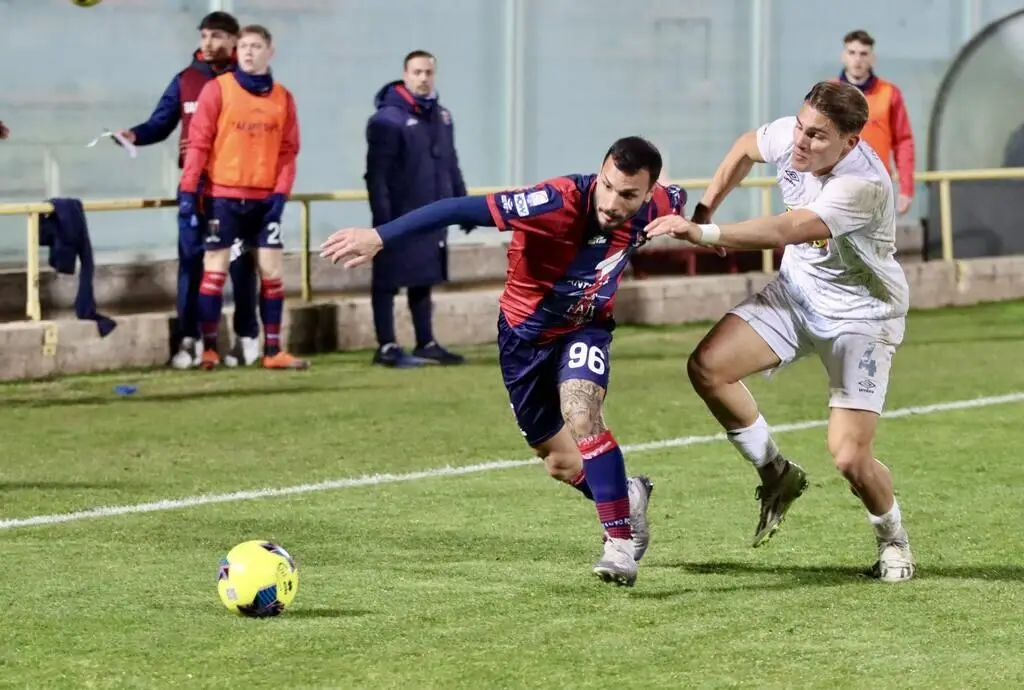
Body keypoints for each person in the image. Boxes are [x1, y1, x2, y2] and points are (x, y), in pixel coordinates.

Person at [322, 137, 689, 587]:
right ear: (600, 172)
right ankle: (626, 496)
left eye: (629, 194)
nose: (613, 202)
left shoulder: (660, 206)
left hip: (585, 327)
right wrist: (379, 236)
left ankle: (618, 543)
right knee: (559, 462)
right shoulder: (552, 202)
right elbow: (457, 208)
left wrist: (703, 230)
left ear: (648, 193)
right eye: (608, 186)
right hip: (523, 339)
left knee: (582, 411)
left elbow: (683, 203)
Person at [644, 81, 915, 583]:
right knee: (709, 367)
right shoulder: (794, 138)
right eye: (800, 126)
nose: (800, 143)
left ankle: (892, 539)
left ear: (850, 142)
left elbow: (786, 230)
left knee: (850, 457)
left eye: (817, 136)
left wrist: (702, 232)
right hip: (798, 294)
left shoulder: (862, 185)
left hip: (861, 317)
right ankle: (776, 473)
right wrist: (706, 207)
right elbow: (746, 146)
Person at [116, 11, 260, 369]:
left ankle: (247, 340)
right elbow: (159, 124)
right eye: (204, 36)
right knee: (192, 267)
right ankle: (189, 341)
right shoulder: (185, 80)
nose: (208, 43)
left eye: (216, 37)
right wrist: (133, 136)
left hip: (236, 190)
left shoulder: (247, 82)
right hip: (195, 191)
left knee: (240, 266)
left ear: (234, 39)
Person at [179, 24, 308, 370]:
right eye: (244, 47)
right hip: (223, 196)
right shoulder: (217, 89)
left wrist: (280, 195)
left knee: (272, 273)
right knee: (214, 273)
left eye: (255, 46)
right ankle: (209, 349)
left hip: (264, 200)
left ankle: (273, 352)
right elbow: (199, 143)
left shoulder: (283, 97)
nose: (248, 52)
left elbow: (288, 151)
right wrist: (189, 191)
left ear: (270, 51)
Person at [364, 50, 471, 368]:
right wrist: (382, 219)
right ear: (405, 74)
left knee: (424, 277)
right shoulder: (387, 119)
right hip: (398, 214)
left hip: (433, 212)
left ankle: (426, 341)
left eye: (428, 72)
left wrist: (462, 203)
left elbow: (450, 161)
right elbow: (377, 174)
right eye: (417, 72)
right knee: (386, 280)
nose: (423, 78)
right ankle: (387, 346)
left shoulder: (443, 116)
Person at [837, 30, 915, 216]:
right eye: (852, 52)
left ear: (872, 58)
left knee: (877, 244)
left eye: (864, 54)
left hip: (877, 185)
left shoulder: (889, 93)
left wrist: (906, 188)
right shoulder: (829, 93)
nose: (858, 59)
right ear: (843, 56)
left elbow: (903, 141)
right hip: (836, 182)